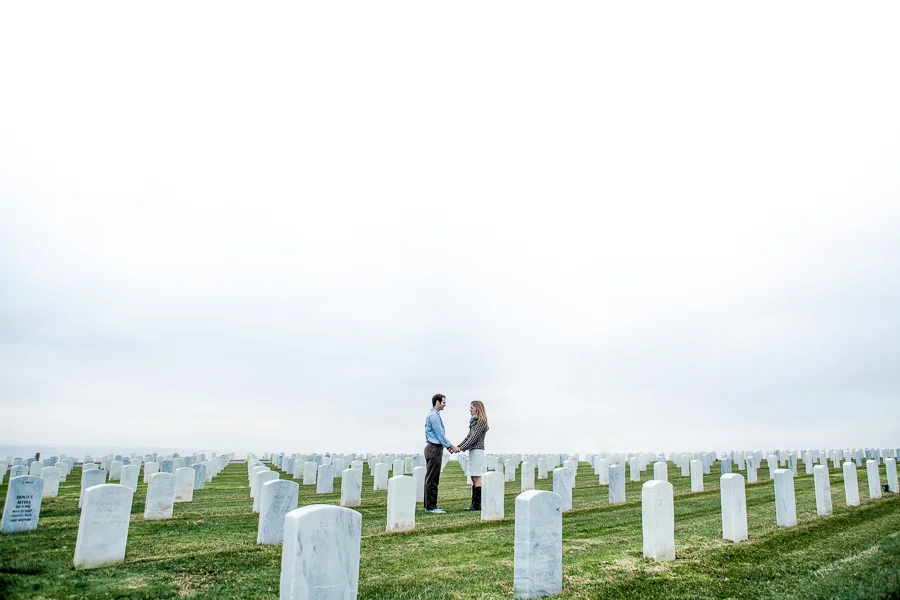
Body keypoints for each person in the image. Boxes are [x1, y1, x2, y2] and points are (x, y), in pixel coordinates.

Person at [424, 393, 458, 514]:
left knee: (432, 477)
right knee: (432, 478)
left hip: (435, 448)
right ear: (437, 402)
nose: (445, 404)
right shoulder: (434, 416)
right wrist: (451, 446)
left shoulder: (434, 415)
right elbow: (440, 435)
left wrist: (447, 446)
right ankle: (431, 507)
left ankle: (429, 505)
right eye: (443, 402)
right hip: (434, 448)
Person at [457, 400, 489, 511]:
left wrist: (460, 448)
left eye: (471, 408)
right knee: (473, 476)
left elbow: (474, 437)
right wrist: (458, 447)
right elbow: (468, 437)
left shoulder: (481, 421)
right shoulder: (473, 421)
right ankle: (474, 504)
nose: (470, 410)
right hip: (472, 450)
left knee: (477, 476)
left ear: (477, 408)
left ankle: (477, 505)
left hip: (477, 451)